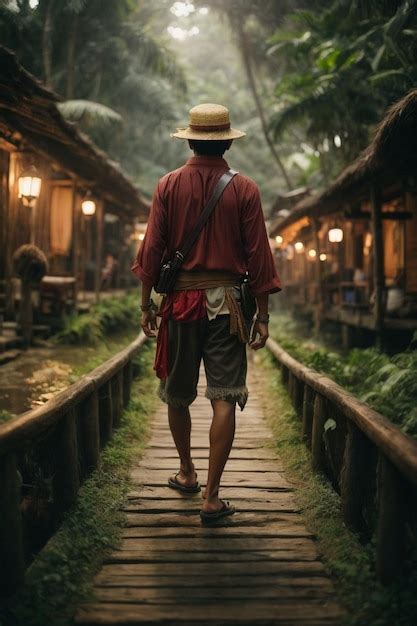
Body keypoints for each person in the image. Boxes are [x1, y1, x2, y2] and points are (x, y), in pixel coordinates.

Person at [132, 103, 281, 522]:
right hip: (229, 307)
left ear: (190, 139)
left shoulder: (168, 185)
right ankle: (212, 497)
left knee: (178, 395)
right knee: (224, 399)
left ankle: (186, 471)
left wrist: (146, 304)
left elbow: (152, 250)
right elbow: (260, 259)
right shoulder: (246, 189)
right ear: (228, 141)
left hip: (180, 305)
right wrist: (263, 317)